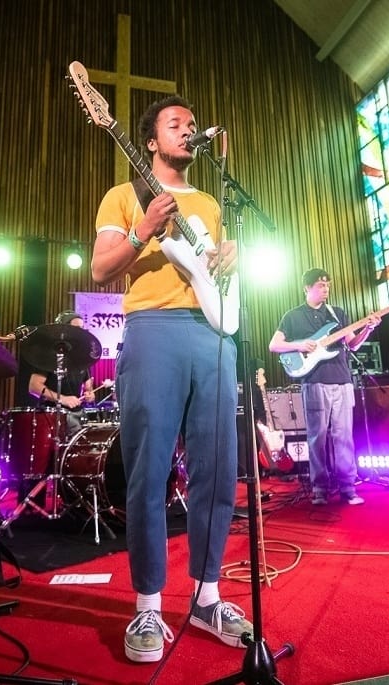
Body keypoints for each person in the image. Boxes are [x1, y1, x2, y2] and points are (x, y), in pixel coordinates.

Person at [89, 95, 249, 664]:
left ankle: (207, 596)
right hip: (153, 329)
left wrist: (232, 252)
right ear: (150, 141)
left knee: (218, 468)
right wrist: (142, 232)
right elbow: (101, 267)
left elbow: (216, 265)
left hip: (215, 334)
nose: (187, 131)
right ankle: (149, 604)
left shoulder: (209, 199)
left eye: (190, 124)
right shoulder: (122, 195)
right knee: (149, 470)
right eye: (174, 125)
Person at [268, 268, 379, 506]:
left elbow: (354, 345)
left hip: (342, 379)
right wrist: (299, 345)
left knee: (344, 436)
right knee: (317, 436)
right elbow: (274, 345)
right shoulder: (293, 316)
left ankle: (347, 486)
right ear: (307, 288)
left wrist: (368, 328)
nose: (325, 288)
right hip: (314, 380)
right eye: (320, 285)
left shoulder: (337, 314)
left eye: (327, 284)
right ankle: (319, 487)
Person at [27, 310, 96, 437]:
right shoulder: (50, 355)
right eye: (76, 328)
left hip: (78, 414)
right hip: (53, 415)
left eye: (82, 328)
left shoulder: (83, 357)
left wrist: (90, 394)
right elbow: (34, 387)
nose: (80, 332)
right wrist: (63, 399)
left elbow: (88, 387)